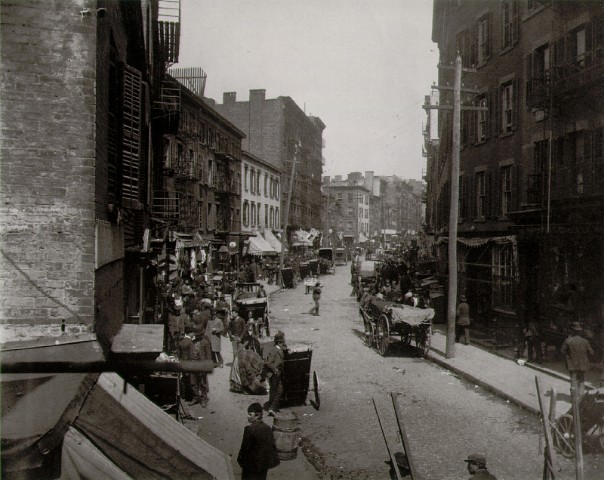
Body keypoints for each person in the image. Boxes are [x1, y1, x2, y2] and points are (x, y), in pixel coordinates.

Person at [237, 402, 280, 480]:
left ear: (257, 415)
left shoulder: (249, 429)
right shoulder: (268, 428)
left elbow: (244, 449)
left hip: (251, 466)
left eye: (250, 414)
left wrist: (240, 461)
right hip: (263, 466)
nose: (248, 416)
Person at [561, 321, 594, 396]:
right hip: (582, 364)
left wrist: (568, 356)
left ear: (572, 331)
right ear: (580, 331)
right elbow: (591, 353)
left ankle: (574, 397)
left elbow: (562, 351)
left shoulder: (568, 340)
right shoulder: (585, 341)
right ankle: (581, 396)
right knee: (581, 379)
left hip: (572, 364)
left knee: (573, 380)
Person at [263, 331, 286, 416]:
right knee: (277, 390)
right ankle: (272, 408)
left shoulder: (278, 349)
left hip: (277, 374)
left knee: (278, 390)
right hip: (274, 374)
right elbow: (269, 363)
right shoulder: (274, 351)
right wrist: (275, 369)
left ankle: (273, 407)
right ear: (279, 342)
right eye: (281, 342)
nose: (282, 343)